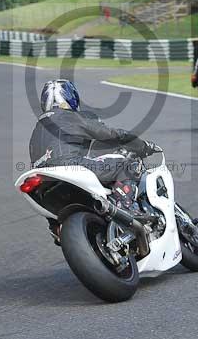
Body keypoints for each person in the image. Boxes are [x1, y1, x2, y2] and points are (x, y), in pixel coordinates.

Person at [29, 79, 161, 243]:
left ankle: (57, 227)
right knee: (125, 164)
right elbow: (110, 134)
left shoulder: (37, 129)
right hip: (71, 166)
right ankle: (128, 207)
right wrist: (141, 145)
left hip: (42, 178)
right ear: (71, 98)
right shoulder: (71, 117)